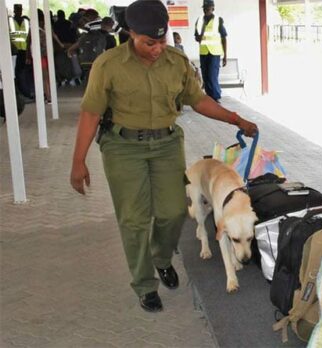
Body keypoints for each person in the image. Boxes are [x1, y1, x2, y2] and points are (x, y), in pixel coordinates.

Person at [69, 0, 258, 313]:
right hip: (123, 147)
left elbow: (198, 100)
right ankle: (144, 283)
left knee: (172, 212)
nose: (158, 49)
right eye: (149, 43)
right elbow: (90, 113)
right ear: (132, 33)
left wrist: (236, 119)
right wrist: (78, 161)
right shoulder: (109, 64)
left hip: (166, 145)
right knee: (134, 219)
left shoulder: (176, 62)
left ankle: (160, 257)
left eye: (163, 40)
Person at [26, 9, 65, 104]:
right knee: (48, 76)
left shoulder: (33, 28)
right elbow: (54, 36)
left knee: (44, 77)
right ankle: (49, 95)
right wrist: (61, 45)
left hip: (38, 55)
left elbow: (28, 42)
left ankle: (48, 96)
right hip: (48, 53)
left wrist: (27, 56)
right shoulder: (47, 25)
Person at [194, 0, 228, 102]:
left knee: (212, 75)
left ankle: (216, 96)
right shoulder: (199, 20)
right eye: (204, 8)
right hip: (203, 52)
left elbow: (224, 38)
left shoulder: (218, 20)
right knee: (205, 75)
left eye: (208, 8)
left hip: (215, 52)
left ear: (213, 8)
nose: (206, 10)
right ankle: (209, 96)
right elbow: (196, 37)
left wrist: (225, 55)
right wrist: (200, 35)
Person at [9, 4, 33, 100]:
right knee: (16, 73)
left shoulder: (26, 22)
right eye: (17, 10)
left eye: (20, 10)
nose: (19, 11)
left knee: (21, 72)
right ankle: (22, 93)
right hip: (13, 51)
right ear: (14, 10)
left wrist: (28, 54)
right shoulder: (10, 21)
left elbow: (28, 38)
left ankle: (24, 93)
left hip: (23, 50)